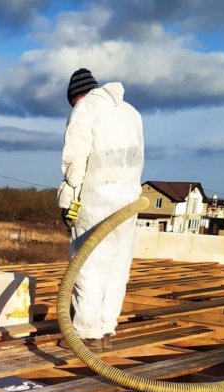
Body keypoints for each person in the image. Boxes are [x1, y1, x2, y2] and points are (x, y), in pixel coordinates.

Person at [57, 68, 144, 352]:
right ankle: (106, 329)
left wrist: (68, 198)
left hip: (96, 199)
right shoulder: (131, 112)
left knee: (88, 265)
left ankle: (86, 335)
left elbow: (75, 160)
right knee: (117, 266)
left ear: (76, 97)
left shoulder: (85, 108)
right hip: (129, 201)